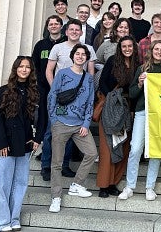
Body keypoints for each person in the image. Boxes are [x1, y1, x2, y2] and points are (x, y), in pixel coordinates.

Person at [118, 40, 161, 201]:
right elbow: (132, 94)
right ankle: (130, 186)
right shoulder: (142, 69)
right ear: (151, 51)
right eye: (156, 49)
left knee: (155, 151)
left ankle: (150, 187)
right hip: (142, 112)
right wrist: (139, 83)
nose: (159, 52)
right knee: (135, 148)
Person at [0, 56, 42, 232]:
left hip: (25, 143)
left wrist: (37, 139)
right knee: (3, 183)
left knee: (20, 183)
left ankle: (13, 218)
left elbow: (43, 118)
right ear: (16, 69)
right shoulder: (2, 91)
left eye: (28, 67)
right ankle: (1, 221)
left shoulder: (35, 92)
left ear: (31, 71)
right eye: (21, 66)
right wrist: (1, 143)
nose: (24, 70)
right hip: (5, 144)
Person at [48, 44, 97, 213]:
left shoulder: (89, 78)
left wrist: (85, 123)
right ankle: (56, 197)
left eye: (84, 54)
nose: (81, 56)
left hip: (79, 126)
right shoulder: (62, 74)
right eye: (78, 54)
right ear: (72, 55)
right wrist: (54, 119)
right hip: (61, 123)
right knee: (57, 163)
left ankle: (76, 184)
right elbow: (52, 95)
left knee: (91, 153)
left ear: (86, 58)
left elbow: (91, 102)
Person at [97, 36, 138, 198]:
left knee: (123, 146)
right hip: (111, 106)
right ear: (119, 48)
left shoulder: (137, 64)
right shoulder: (113, 60)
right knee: (108, 147)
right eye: (124, 46)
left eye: (130, 46)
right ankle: (103, 185)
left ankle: (113, 183)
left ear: (133, 48)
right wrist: (110, 99)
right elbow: (102, 83)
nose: (127, 49)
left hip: (126, 108)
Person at [31, 15, 69, 181]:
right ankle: (46, 165)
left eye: (56, 23)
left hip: (65, 93)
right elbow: (34, 68)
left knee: (64, 128)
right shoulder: (41, 45)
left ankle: (64, 165)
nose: (53, 26)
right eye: (50, 24)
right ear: (47, 27)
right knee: (48, 128)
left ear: (61, 26)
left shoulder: (67, 44)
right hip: (45, 92)